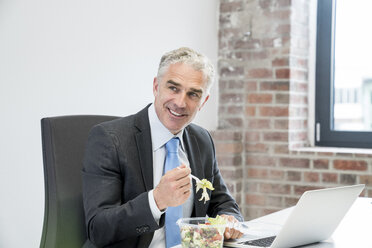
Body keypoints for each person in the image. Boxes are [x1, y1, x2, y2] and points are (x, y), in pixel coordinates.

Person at [82, 47, 243, 248]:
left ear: (203, 102)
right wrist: (156, 200)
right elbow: (98, 228)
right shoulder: (110, 139)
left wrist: (229, 218)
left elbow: (222, 202)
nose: (180, 102)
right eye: (173, 88)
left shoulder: (202, 140)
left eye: (193, 94)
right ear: (156, 86)